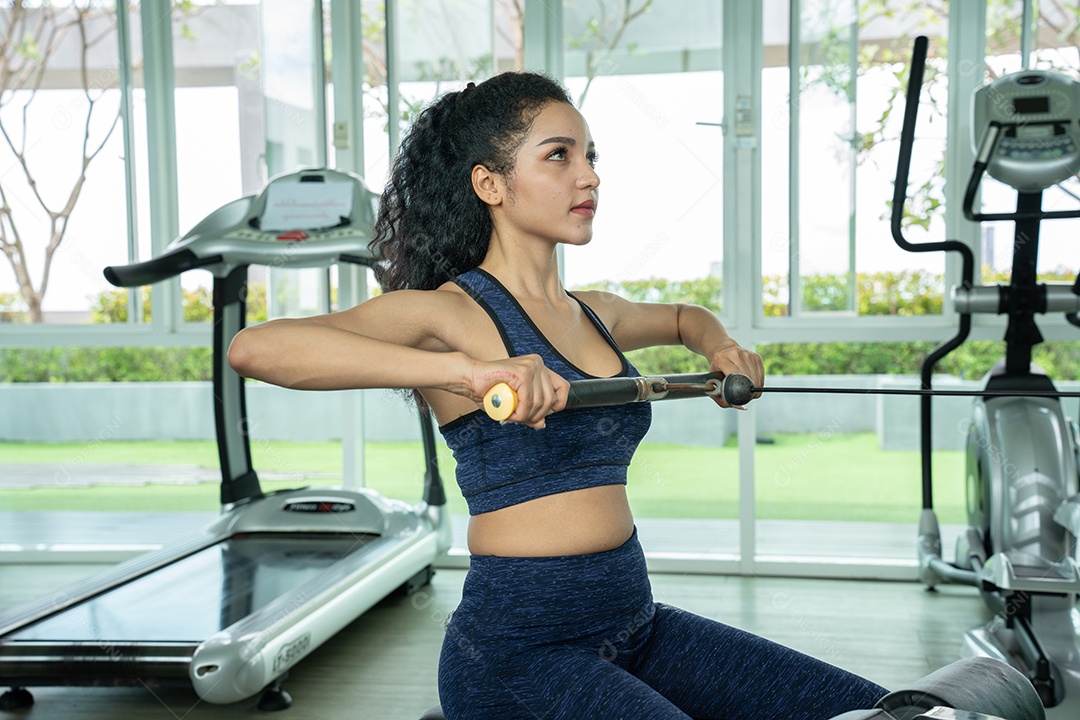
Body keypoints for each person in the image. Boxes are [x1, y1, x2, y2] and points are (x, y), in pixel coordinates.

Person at [228, 71, 888, 720]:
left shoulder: (595, 313)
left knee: (885, 712)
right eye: (559, 156)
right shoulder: (448, 315)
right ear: (490, 183)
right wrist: (469, 372)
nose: (589, 176)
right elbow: (256, 349)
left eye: (590, 156)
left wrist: (720, 350)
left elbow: (686, 316)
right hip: (517, 656)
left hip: (636, 625)